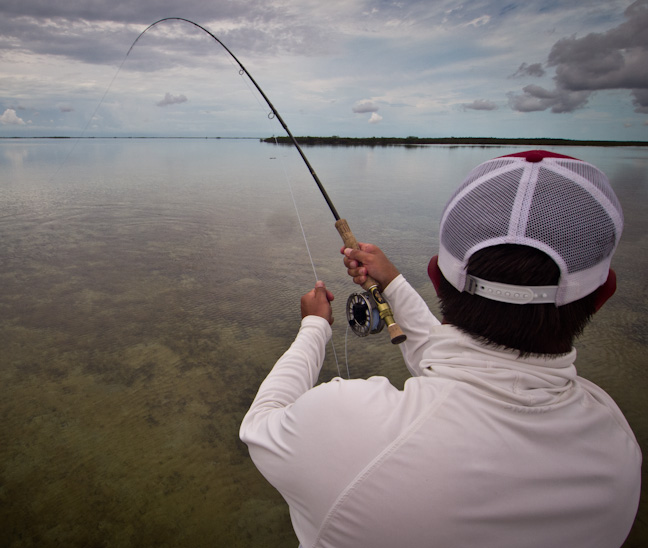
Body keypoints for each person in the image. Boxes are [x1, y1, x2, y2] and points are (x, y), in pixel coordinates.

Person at [239, 150, 641, 548]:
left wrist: (313, 327)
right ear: (603, 295)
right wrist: (392, 283)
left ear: (436, 275)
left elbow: (259, 425)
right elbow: (465, 368)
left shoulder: (347, 424)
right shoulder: (618, 451)